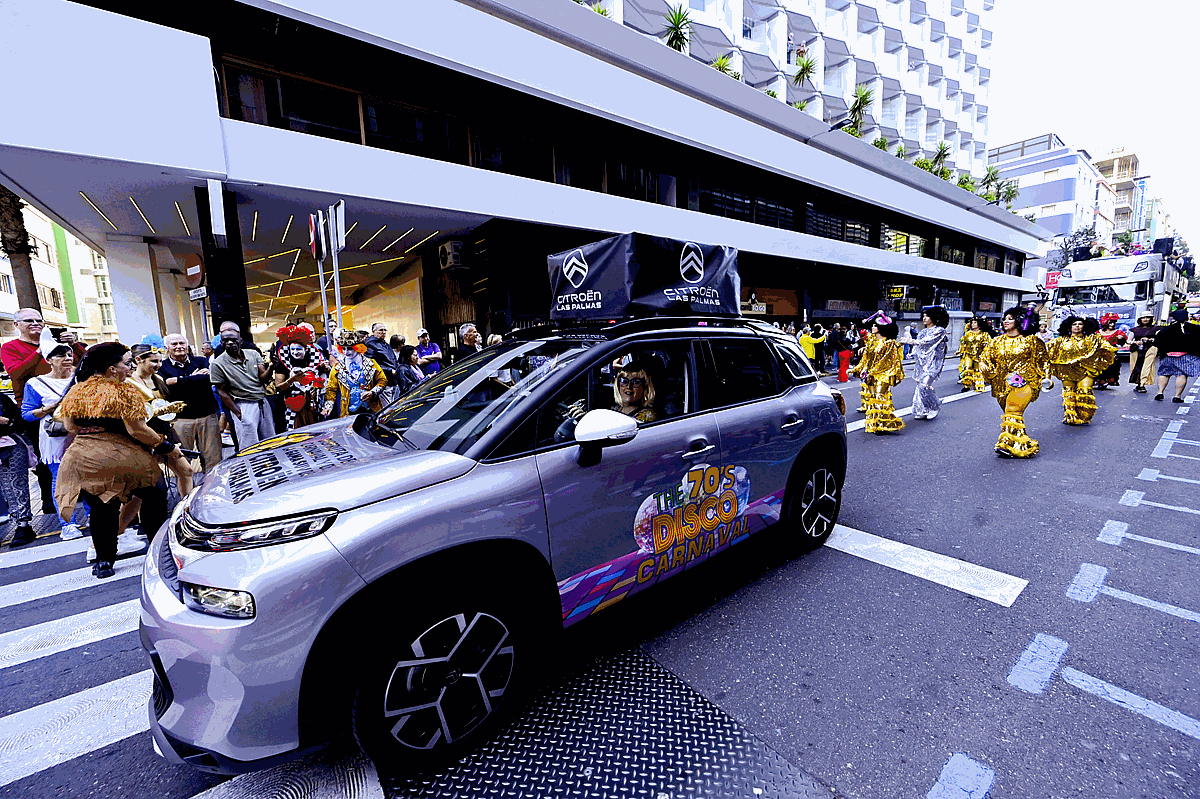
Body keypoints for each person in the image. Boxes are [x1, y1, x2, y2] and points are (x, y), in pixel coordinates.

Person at [55, 343, 178, 579]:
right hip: (122, 453)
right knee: (155, 492)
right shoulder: (125, 391)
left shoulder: (76, 391)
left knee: (101, 508)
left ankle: (104, 562)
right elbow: (137, 430)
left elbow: (70, 426)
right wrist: (165, 446)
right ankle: (158, 552)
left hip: (82, 456)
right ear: (112, 369)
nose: (130, 367)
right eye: (127, 362)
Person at [20, 338, 88, 540]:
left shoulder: (81, 377)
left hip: (83, 434)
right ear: (48, 359)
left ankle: (94, 515)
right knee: (62, 479)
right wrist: (47, 409)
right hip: (56, 438)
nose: (67, 358)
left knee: (90, 477)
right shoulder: (36, 383)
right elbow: (26, 414)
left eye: (69, 354)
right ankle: (68, 524)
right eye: (60, 355)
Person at [0, 308, 57, 514]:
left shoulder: (53, 344)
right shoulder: (10, 347)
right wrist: (39, 351)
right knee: (43, 453)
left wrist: (73, 346)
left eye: (39, 320)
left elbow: (77, 365)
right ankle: (48, 498)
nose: (35, 323)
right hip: (33, 409)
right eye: (29, 320)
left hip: (62, 404)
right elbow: (16, 373)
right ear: (16, 325)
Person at [978, 306, 1051, 458]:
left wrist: (1047, 377)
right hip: (1000, 384)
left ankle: (1005, 444)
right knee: (1009, 415)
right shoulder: (996, 341)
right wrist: (985, 368)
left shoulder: (1032, 341)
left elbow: (1044, 361)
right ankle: (1021, 445)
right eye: (1005, 318)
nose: (1006, 321)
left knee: (1013, 411)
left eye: (1010, 319)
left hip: (1025, 381)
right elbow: (984, 358)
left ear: (1020, 321)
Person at [127, 345, 194, 497]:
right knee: (145, 484)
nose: (158, 365)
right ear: (139, 360)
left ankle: (186, 507)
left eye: (160, 361)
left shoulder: (158, 379)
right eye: (154, 361)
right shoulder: (129, 383)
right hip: (143, 434)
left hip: (163, 431)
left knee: (186, 470)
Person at [160, 333, 222, 473]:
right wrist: (194, 378)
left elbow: (207, 380)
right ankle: (187, 487)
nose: (179, 346)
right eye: (174, 344)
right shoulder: (162, 367)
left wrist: (178, 380)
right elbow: (166, 388)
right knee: (182, 462)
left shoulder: (201, 361)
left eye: (182, 343)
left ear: (187, 345)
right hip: (180, 420)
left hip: (207, 417)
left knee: (213, 460)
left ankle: (212, 486)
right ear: (167, 347)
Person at [210, 326, 275, 451]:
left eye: (233, 339)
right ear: (221, 342)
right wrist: (238, 412)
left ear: (240, 340)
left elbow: (263, 378)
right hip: (243, 404)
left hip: (262, 402)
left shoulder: (253, 354)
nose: (230, 343)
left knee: (269, 441)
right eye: (226, 340)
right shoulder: (218, 363)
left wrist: (271, 367)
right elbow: (221, 390)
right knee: (249, 445)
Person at [1046, 316, 1113, 425]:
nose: (1077, 326)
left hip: (1086, 371)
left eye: (1080, 324)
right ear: (1069, 327)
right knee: (1069, 394)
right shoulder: (1060, 340)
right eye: (1074, 324)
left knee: (1085, 391)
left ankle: (1084, 416)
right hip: (1067, 372)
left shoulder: (1093, 339)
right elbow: (1045, 352)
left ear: (1084, 326)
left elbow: (1108, 348)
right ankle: (1070, 416)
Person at [850, 312, 905, 434]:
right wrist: (856, 369)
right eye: (873, 325)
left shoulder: (889, 344)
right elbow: (866, 359)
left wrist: (873, 372)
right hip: (871, 375)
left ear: (882, 328)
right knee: (873, 400)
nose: (872, 327)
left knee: (880, 397)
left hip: (883, 375)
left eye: (875, 325)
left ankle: (883, 424)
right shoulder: (871, 342)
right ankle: (875, 424)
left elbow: (886, 361)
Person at [899, 306, 950, 421]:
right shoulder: (922, 332)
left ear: (934, 317)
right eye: (923, 316)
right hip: (921, 363)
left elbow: (926, 343)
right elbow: (918, 348)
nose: (924, 318)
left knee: (924, 385)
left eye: (927, 316)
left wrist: (909, 341)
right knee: (919, 387)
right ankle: (921, 409)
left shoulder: (939, 331)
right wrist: (910, 354)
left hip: (934, 363)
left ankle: (934, 406)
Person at [323, 329, 388, 418]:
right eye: (344, 348)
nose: (346, 352)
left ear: (358, 348)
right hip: (348, 411)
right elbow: (331, 389)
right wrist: (328, 406)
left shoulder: (371, 363)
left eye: (349, 348)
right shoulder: (337, 367)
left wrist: (372, 392)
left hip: (371, 409)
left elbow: (382, 380)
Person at [0, 389, 36, 547]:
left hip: (11, 444)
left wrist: (6, 421)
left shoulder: (2, 399)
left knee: (16, 484)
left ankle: (23, 524)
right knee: (7, 487)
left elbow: (20, 421)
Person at [273, 329, 325, 430]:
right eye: (292, 349)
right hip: (292, 406)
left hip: (312, 406)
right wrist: (292, 379)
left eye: (298, 349)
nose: (295, 352)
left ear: (306, 349)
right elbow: (278, 388)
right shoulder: (283, 364)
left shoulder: (314, 362)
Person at [1152, 309, 1200, 403]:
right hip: (1185, 356)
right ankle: (1177, 396)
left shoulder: (1166, 329)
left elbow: (1157, 342)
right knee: (1181, 374)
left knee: (1164, 373)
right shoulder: (1195, 328)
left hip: (1167, 356)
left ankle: (1160, 392)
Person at [364, 322, 400, 404]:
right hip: (383, 381)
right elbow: (371, 364)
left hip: (393, 380)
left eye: (385, 330)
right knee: (387, 407)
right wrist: (389, 371)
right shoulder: (370, 344)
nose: (383, 332)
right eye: (381, 330)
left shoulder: (385, 344)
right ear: (373, 331)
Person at [956, 317, 991, 392]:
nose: (972, 324)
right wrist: (959, 351)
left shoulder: (984, 334)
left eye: (975, 323)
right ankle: (966, 385)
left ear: (979, 324)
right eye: (972, 323)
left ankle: (979, 386)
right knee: (967, 368)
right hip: (968, 355)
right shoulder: (968, 334)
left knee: (978, 371)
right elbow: (963, 343)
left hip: (979, 356)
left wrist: (985, 354)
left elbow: (988, 345)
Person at [1127, 314, 1159, 393]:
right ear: (1140, 319)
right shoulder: (1134, 330)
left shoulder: (1156, 329)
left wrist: (1150, 340)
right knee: (1136, 367)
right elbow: (1128, 341)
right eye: (1143, 318)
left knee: (1147, 367)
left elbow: (1159, 339)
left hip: (1150, 349)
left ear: (1151, 319)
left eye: (1147, 317)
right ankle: (1139, 383)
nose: (1145, 319)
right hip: (1136, 350)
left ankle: (1142, 384)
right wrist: (1136, 342)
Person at [1095, 314, 1127, 389]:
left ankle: (1106, 381)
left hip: (1111, 353)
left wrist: (1121, 339)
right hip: (1099, 352)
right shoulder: (1098, 332)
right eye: (1110, 323)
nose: (1112, 324)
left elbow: (1123, 343)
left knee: (1111, 367)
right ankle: (1099, 381)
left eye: (1113, 322)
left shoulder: (1118, 332)